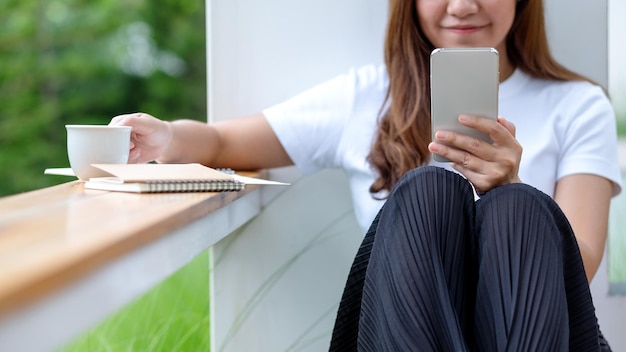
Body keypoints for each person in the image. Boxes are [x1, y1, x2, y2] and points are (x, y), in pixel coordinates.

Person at [110, 0, 622, 350]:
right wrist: (168, 138)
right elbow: (224, 141)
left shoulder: (576, 105)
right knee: (430, 188)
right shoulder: (365, 99)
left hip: (539, 331)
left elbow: (583, 261)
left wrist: (509, 188)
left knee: (519, 206)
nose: (463, 5)